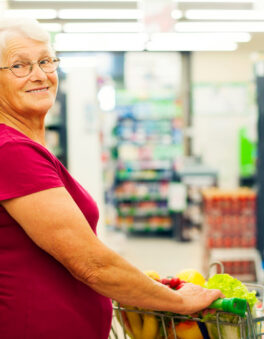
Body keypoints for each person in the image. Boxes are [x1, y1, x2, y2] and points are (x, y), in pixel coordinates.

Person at [0, 17, 222, 339]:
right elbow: (91, 264)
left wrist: (144, 287)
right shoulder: (11, 152)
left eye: (46, 60)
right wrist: (177, 302)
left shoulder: (25, 147)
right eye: (20, 65)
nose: (40, 75)